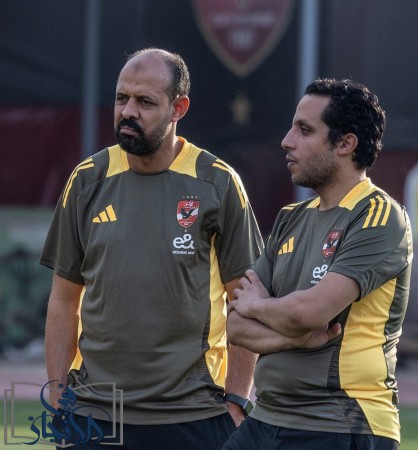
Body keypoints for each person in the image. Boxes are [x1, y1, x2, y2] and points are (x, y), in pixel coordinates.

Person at [40, 48, 263, 449]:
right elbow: (63, 299)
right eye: (121, 98)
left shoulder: (217, 183)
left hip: (194, 414)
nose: (128, 111)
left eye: (145, 102)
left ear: (178, 108)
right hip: (94, 411)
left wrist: (237, 399)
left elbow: (245, 303)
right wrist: (57, 394)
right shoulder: (87, 180)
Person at [223, 79, 412, 450]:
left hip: (339, 424)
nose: (287, 141)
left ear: (345, 144)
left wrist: (259, 305)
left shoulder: (378, 216)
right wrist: (296, 337)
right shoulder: (290, 217)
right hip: (266, 419)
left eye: (304, 130)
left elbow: (309, 312)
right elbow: (235, 325)